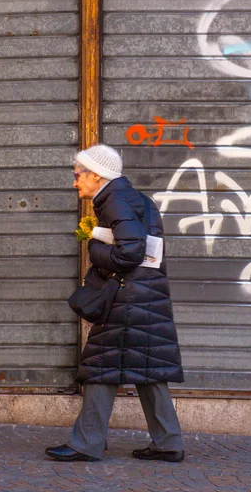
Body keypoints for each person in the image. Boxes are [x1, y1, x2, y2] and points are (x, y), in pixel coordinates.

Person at [45, 144, 184, 463]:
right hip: (144, 295)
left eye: (78, 174)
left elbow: (130, 252)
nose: (75, 181)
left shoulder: (116, 201)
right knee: (149, 368)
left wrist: (94, 250)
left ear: (96, 175)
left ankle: (86, 443)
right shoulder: (136, 199)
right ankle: (168, 443)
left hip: (126, 297)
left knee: (100, 366)